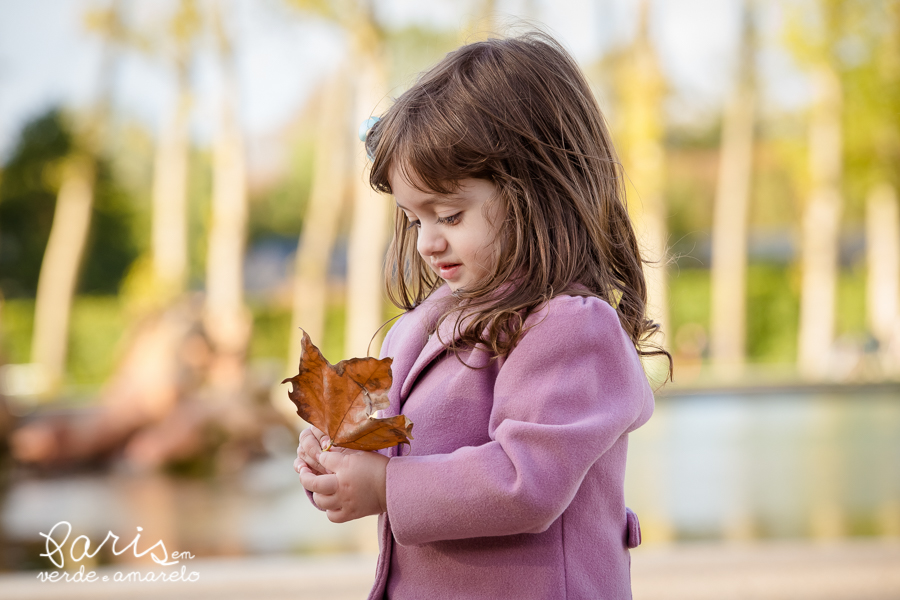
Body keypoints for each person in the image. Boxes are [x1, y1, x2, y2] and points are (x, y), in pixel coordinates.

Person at [293, 30, 671, 600]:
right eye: (414, 219)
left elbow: (527, 480)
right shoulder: (426, 320)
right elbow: (395, 429)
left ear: (536, 193)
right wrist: (338, 450)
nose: (425, 242)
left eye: (448, 214)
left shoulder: (570, 327)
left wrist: (385, 487)